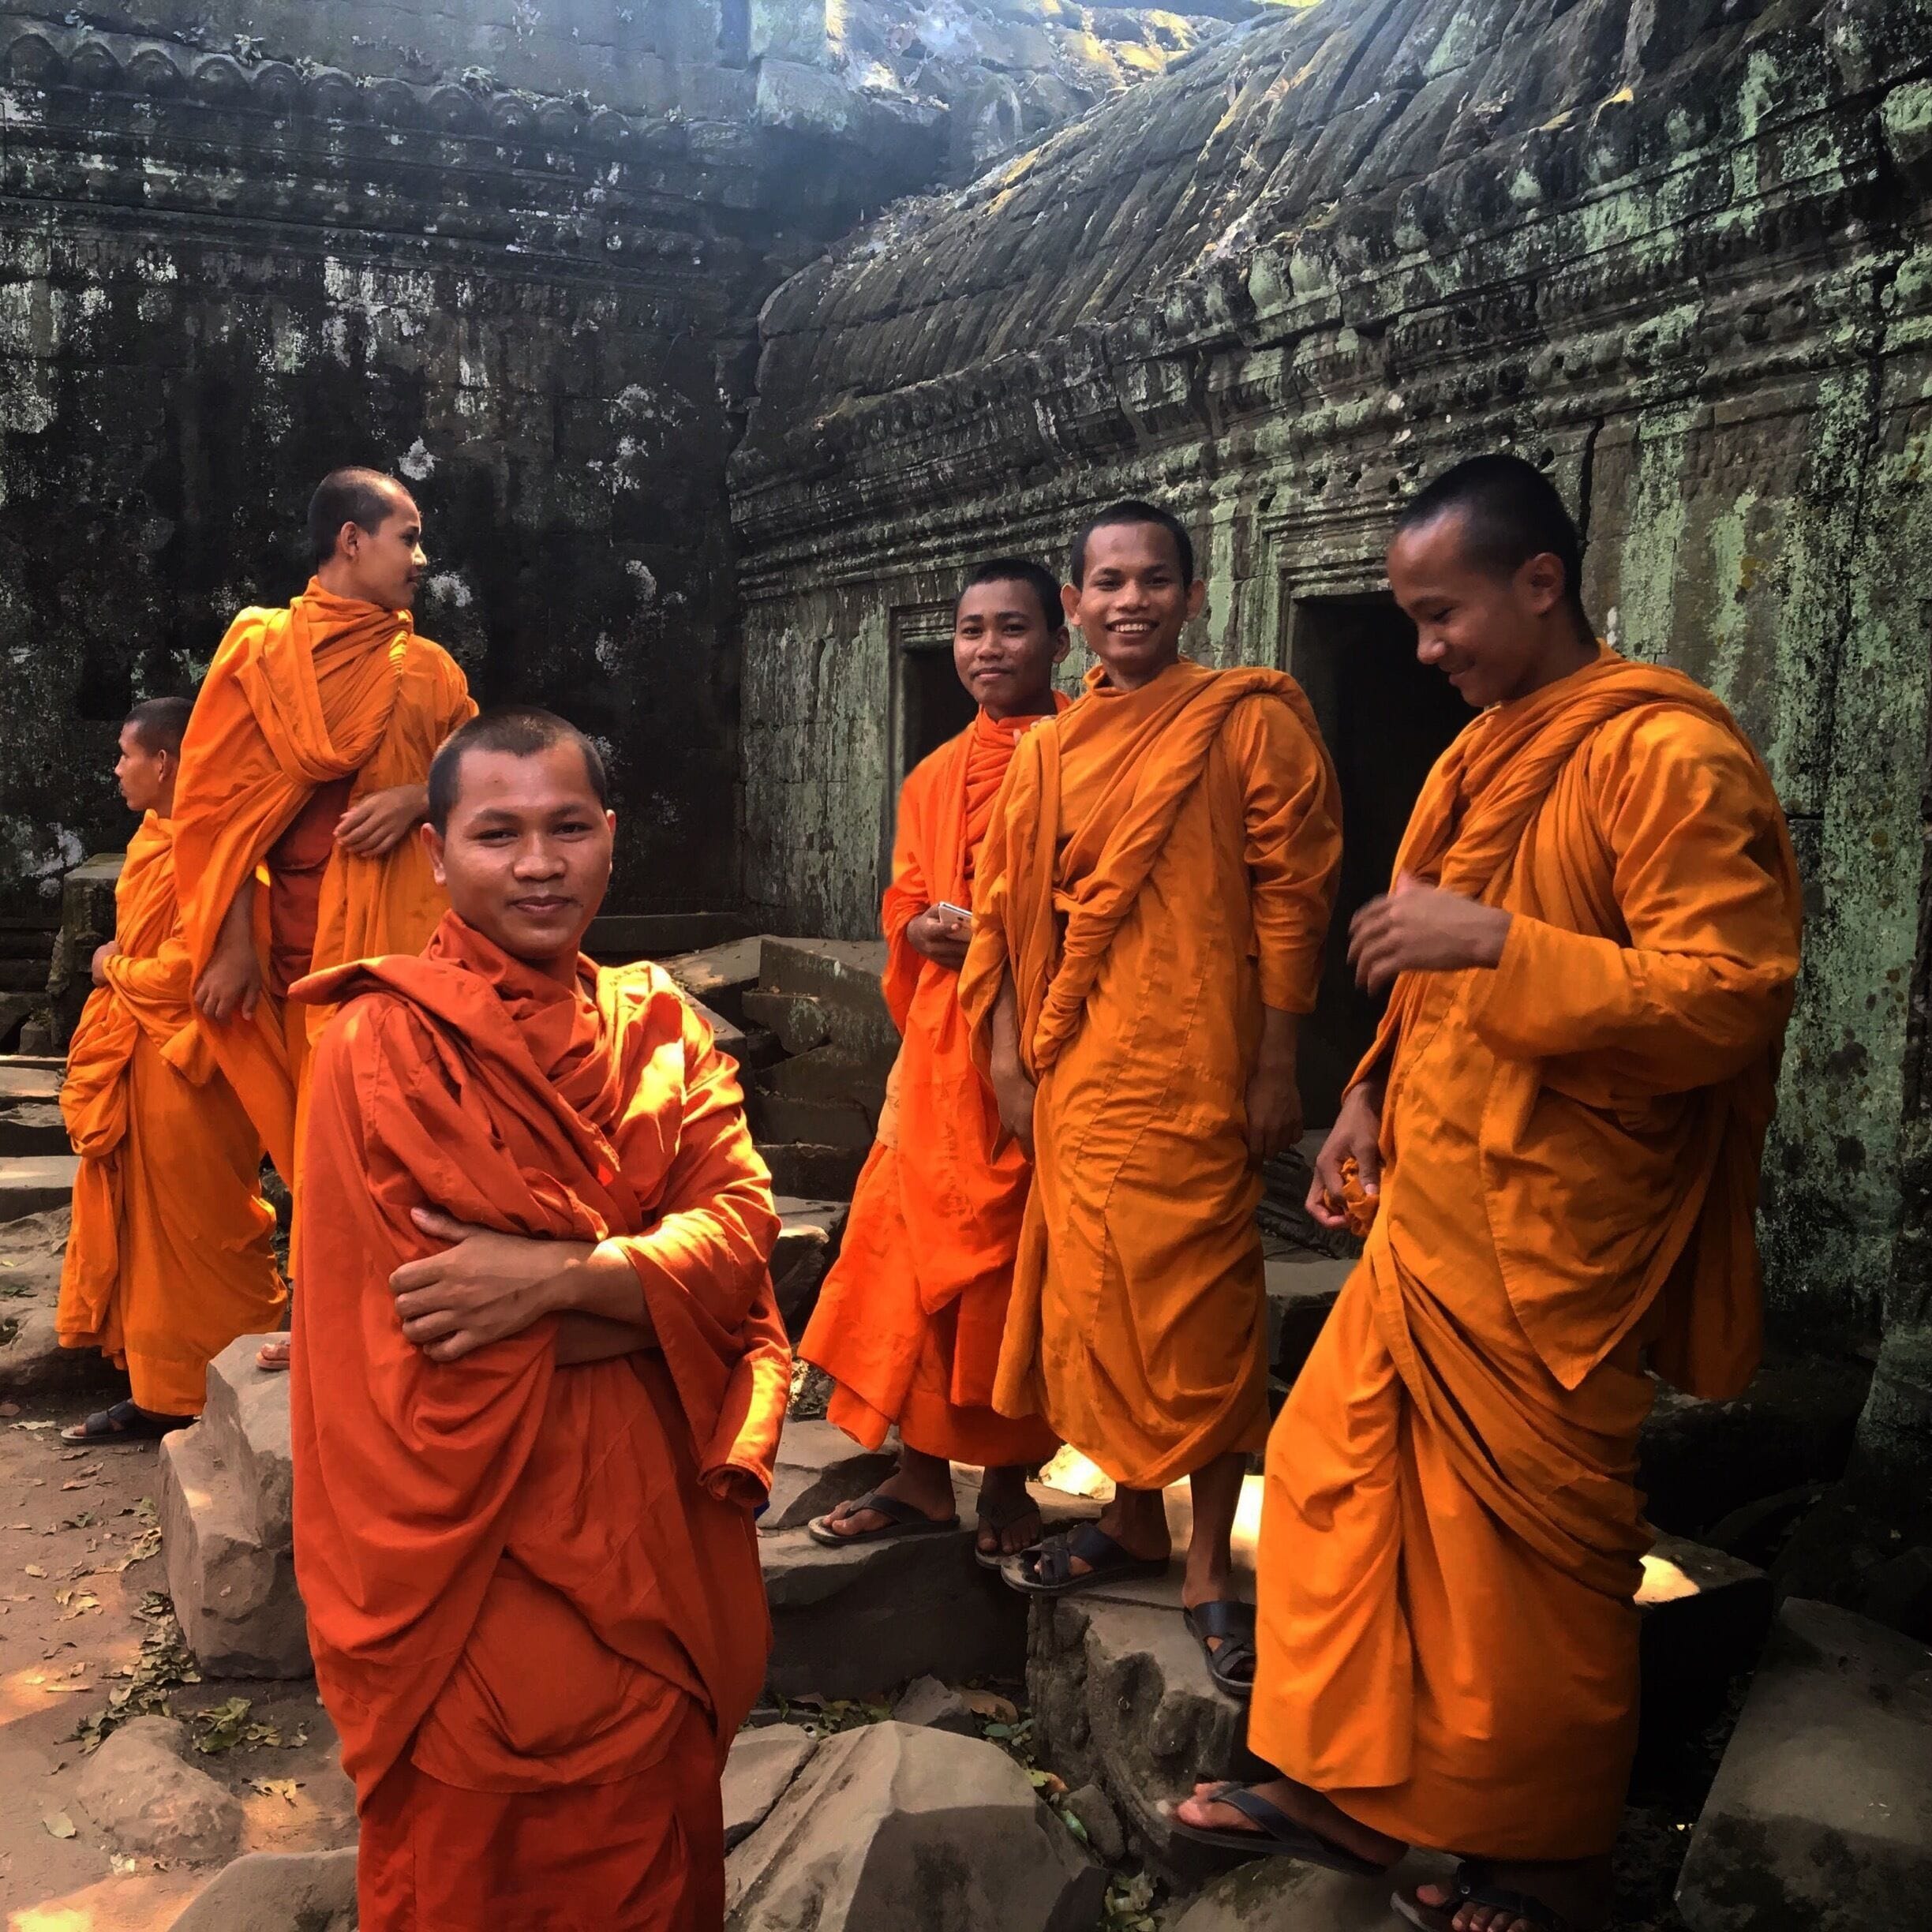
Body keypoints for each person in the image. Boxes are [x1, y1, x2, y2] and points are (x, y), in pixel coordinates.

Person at [1166, 455, 1803, 1932]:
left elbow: (1729, 998)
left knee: (1523, 1556)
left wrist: (1501, 943)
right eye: (1406, 618)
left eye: (1442, 613)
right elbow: (1423, 969)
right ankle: (1346, 1780)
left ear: (1539, 581)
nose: (1424, 648)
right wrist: (1361, 1098)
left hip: (1559, 1225)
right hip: (1432, 1193)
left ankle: (1545, 1848)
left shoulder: (1665, 756)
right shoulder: (1476, 752)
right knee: (1332, 1479)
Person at [288, 708, 790, 1932]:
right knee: (474, 1857)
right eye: (497, 832)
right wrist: (652, 1300)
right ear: (437, 855)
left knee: (653, 1847)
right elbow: (424, 1322)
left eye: (568, 827)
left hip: (650, 1531)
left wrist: (566, 1279)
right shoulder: (377, 1048)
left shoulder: (661, 1028)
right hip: (467, 1548)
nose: (538, 863)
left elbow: (741, 1234)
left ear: (610, 840)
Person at [958, 500, 1342, 1696]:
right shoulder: (1047, 753)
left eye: (1154, 581)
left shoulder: (1248, 722)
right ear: (1074, 608)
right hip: (1080, 1070)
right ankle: (1131, 1515)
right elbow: (1006, 919)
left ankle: (1207, 1570)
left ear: (1192, 596)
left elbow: (1295, 896)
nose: (1130, 601)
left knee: (1204, 1307)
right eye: (1108, 582)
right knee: (1097, 1299)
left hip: (1199, 1064)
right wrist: (1014, 1063)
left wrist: (1280, 1064)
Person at [171, 466, 476, 1368]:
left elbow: (488, 785)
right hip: (290, 948)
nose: (421, 559)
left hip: (402, 950)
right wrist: (227, 945)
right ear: (351, 539)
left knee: (408, 1130)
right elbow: (215, 812)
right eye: (407, 537)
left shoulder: (429, 669)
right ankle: (322, 1309)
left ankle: (423, 1309)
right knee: (318, 1139)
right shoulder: (260, 652)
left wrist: (420, 796)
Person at [801, 559, 1069, 1563]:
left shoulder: (1092, 755)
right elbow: (905, 897)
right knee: (907, 1247)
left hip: (1044, 1043)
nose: (988, 650)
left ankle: (1006, 1478)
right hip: (943, 1048)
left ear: (1058, 639)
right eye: (970, 631)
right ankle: (920, 1477)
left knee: (1015, 1262)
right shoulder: (933, 775)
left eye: (1011, 629)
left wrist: (1013, 934)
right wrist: (922, 930)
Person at [55, 699, 287, 1443]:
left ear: (165, 762)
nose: (118, 769)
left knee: (211, 1222)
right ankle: (162, 1391)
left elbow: (200, 967)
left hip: (199, 1057)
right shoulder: (154, 834)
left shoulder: (222, 838)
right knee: (150, 1233)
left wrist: (110, 965)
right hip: (143, 1050)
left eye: (127, 755)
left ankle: (239, 1373)